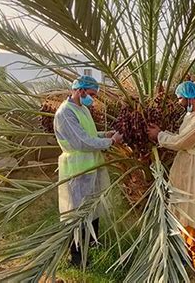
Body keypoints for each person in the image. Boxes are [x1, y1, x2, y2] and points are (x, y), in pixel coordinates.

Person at [147, 81, 195, 283]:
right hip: (187, 169)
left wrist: (159, 135)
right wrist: (162, 133)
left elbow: (181, 142)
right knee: (184, 213)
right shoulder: (191, 115)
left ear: (189, 98)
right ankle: (187, 258)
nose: (178, 102)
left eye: (179, 98)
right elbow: (181, 138)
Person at [53, 75, 123, 266]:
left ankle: (92, 243)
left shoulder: (82, 109)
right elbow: (81, 142)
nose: (93, 98)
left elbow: (89, 135)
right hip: (78, 169)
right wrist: (111, 141)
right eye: (91, 94)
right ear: (81, 90)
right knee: (78, 214)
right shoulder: (65, 113)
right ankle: (77, 258)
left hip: (91, 165)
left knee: (93, 208)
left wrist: (104, 135)